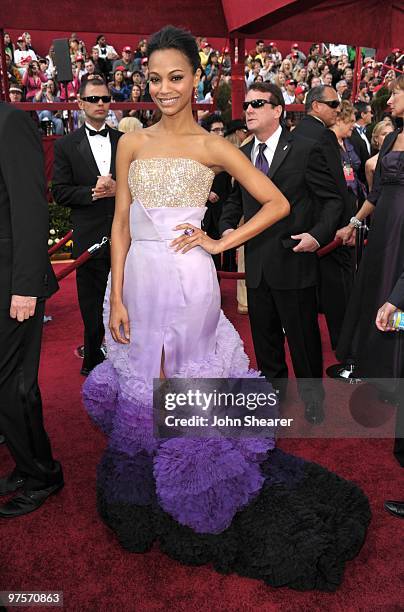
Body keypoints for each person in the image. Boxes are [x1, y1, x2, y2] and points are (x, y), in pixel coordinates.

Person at [82, 27, 370, 591]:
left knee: (182, 380)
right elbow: (120, 224)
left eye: (177, 77)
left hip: (189, 278)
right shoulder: (131, 140)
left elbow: (279, 203)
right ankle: (153, 475)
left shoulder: (216, 147)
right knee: (143, 376)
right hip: (137, 276)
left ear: (196, 79)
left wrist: (218, 244)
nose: (164, 88)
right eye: (156, 77)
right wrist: (115, 293)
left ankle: (191, 480)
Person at [221, 82, 343, 421]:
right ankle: (272, 397)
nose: (248, 110)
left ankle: (313, 399)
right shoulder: (243, 154)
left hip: (295, 258)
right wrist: (229, 227)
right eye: (246, 105)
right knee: (265, 338)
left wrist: (317, 236)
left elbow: (333, 200)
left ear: (278, 110)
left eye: (257, 104)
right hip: (257, 263)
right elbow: (235, 200)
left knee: (303, 338)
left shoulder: (304, 148)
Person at [337, 76, 404, 482]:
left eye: (397, 91)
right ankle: (387, 372)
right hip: (384, 238)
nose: (391, 98)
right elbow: (376, 194)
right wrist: (352, 223)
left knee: (400, 303)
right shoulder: (392, 136)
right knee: (384, 301)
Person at [0, 103, 63, 518]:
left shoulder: (8, 121)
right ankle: (27, 464)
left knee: (13, 383)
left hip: (12, 282)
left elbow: (30, 207)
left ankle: (43, 474)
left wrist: (25, 287)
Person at [52, 76, 123, 376]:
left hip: (125, 235)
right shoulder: (67, 145)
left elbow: (139, 184)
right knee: (91, 305)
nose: (100, 104)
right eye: (93, 99)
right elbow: (60, 191)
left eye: (104, 99)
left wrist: (120, 188)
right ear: (80, 103)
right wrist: (92, 192)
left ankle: (127, 362)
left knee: (129, 300)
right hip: (89, 238)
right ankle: (93, 362)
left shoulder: (125, 141)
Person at [293, 86, 356, 350]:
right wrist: (348, 224)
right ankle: (346, 353)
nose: (338, 109)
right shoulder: (323, 136)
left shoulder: (295, 134)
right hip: (331, 232)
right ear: (316, 105)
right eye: (333, 104)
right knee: (339, 295)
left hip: (309, 228)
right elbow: (337, 191)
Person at [365, 119, 395, 190]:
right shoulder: (370, 163)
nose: (388, 137)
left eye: (391, 134)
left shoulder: (400, 157)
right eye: (384, 134)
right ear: (376, 138)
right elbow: (371, 190)